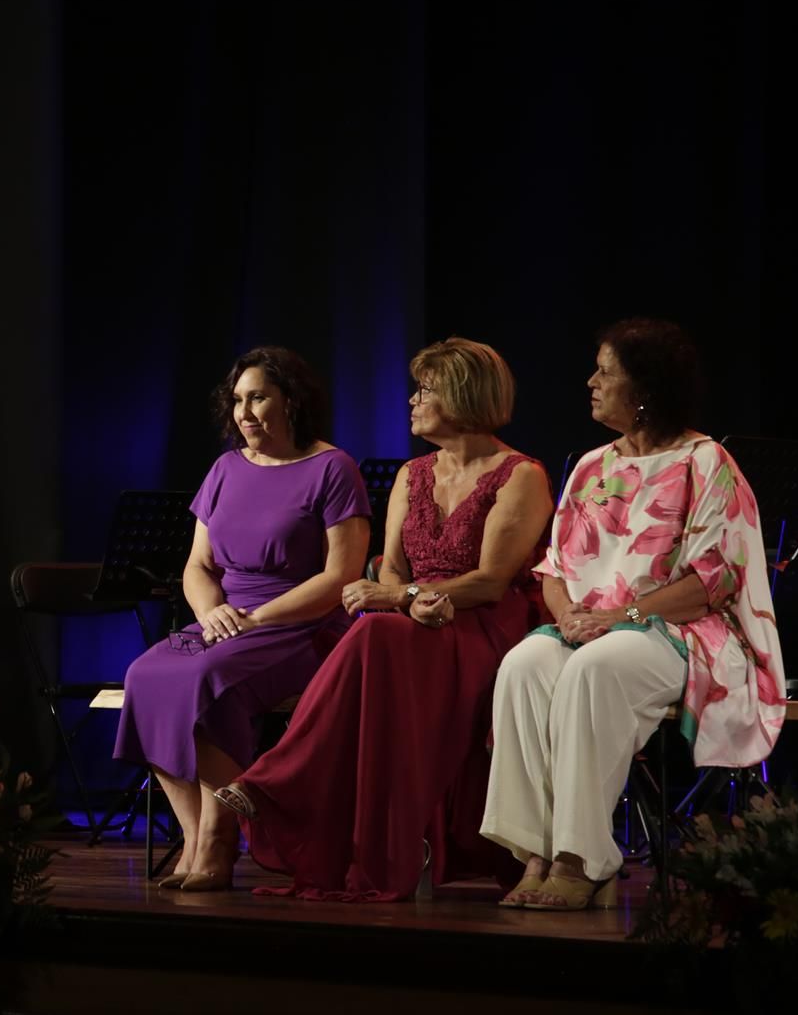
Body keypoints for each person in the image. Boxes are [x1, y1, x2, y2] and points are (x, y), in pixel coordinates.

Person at [216, 338, 552, 900]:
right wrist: (404, 598)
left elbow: (492, 580)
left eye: (427, 389)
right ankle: (294, 795)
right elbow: (390, 567)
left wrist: (402, 599)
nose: (413, 400)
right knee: (376, 635)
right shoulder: (412, 475)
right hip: (411, 624)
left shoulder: (520, 475)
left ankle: (277, 781)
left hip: (483, 626)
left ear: (464, 396)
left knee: (373, 630)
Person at [480, 318, 786, 910]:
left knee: (598, 668)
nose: (590, 382)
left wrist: (622, 614)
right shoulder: (592, 466)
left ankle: (583, 857)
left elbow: (712, 582)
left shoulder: (706, 462)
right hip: (591, 626)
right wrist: (569, 615)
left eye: (606, 372)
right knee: (524, 664)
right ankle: (537, 850)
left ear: (644, 389)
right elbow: (556, 571)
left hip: (681, 631)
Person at [113, 347, 370, 892]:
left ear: (291, 402)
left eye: (258, 398)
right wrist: (212, 614)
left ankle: (220, 841)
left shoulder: (332, 468)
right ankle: (196, 836)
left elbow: (339, 578)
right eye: (237, 400)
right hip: (225, 619)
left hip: (302, 624)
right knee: (145, 677)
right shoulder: (226, 468)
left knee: (208, 682)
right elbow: (198, 566)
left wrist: (257, 619)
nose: (245, 412)